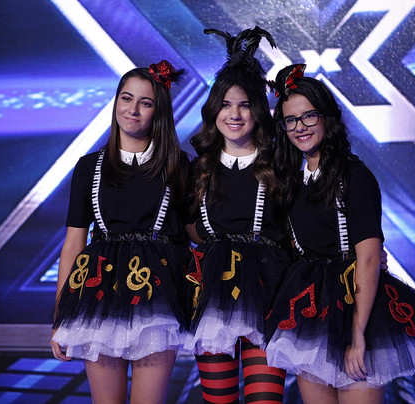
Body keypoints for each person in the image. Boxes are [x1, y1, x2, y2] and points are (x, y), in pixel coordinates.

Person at [264, 64, 415, 404]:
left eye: (308, 116)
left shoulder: (353, 175)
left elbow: (368, 258)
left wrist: (358, 334)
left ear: (327, 118)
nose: (300, 127)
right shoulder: (290, 179)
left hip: (357, 308)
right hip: (309, 311)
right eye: (290, 120)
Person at [50, 60, 190, 404]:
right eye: (126, 98)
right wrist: (60, 316)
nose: (133, 109)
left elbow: (193, 232)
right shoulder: (89, 167)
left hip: (157, 298)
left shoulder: (178, 165)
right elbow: (73, 244)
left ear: (158, 111)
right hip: (98, 295)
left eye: (145, 102)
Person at [184, 27, 290, 404]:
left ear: (258, 110)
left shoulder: (279, 164)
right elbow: (189, 225)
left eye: (244, 105)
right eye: (226, 105)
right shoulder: (199, 168)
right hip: (213, 296)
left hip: (269, 293)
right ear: (214, 110)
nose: (234, 114)